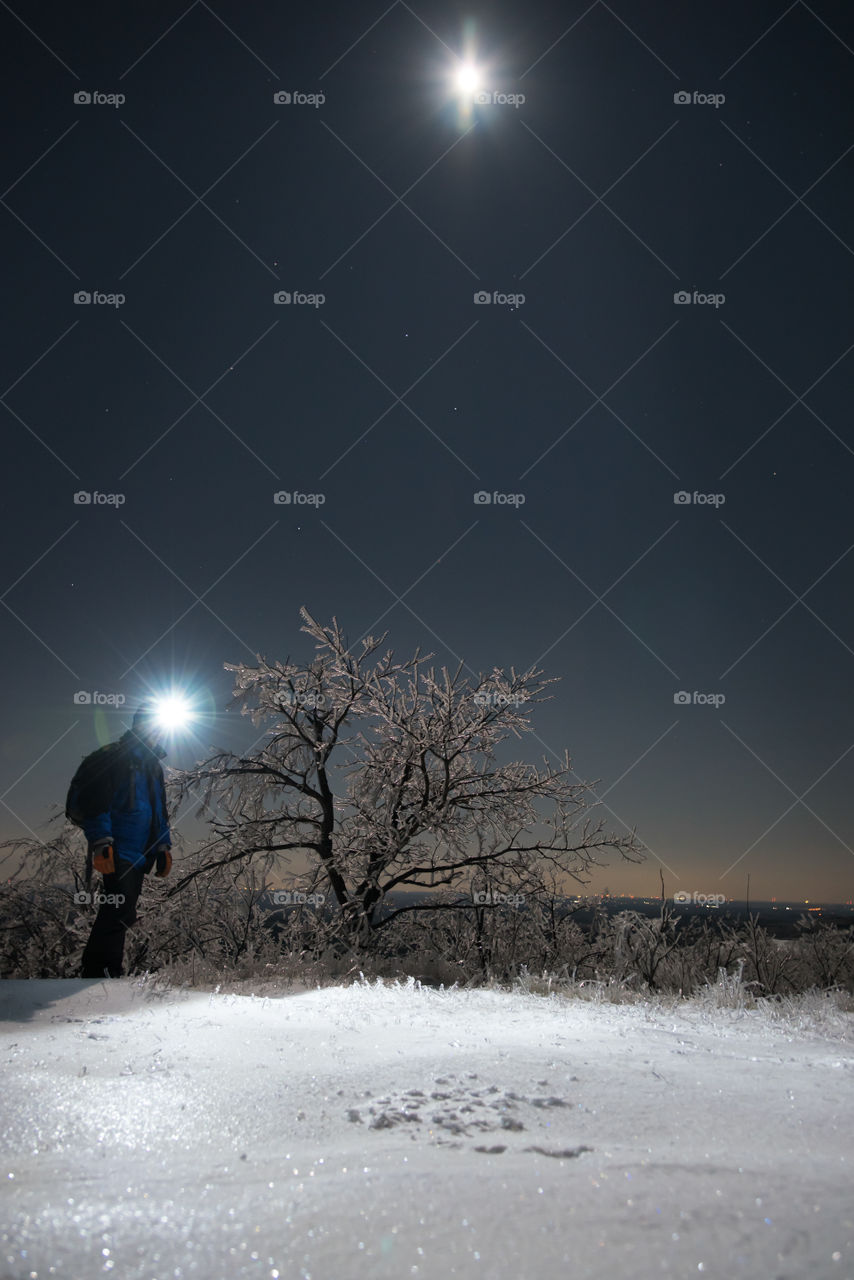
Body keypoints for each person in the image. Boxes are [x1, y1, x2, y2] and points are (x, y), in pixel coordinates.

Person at [79, 703, 172, 979]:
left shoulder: (153, 767)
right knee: (118, 908)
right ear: (139, 726)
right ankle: (100, 973)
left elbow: (160, 813)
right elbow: (99, 801)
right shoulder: (119, 758)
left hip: (141, 852)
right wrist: (101, 842)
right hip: (119, 847)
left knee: (123, 910)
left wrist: (163, 847)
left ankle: (105, 972)